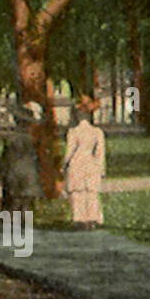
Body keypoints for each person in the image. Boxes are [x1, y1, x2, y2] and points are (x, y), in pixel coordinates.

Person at [63, 95, 106, 229]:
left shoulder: (73, 131)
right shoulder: (97, 132)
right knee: (91, 192)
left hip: (77, 162)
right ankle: (93, 218)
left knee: (77, 192)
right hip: (91, 162)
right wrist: (101, 168)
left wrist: (64, 165)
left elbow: (69, 151)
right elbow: (100, 153)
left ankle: (79, 218)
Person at [0, 102, 44, 212]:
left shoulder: (12, 140)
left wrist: (1, 172)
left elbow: (5, 160)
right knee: (23, 203)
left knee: (15, 203)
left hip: (15, 176)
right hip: (25, 176)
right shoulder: (30, 140)